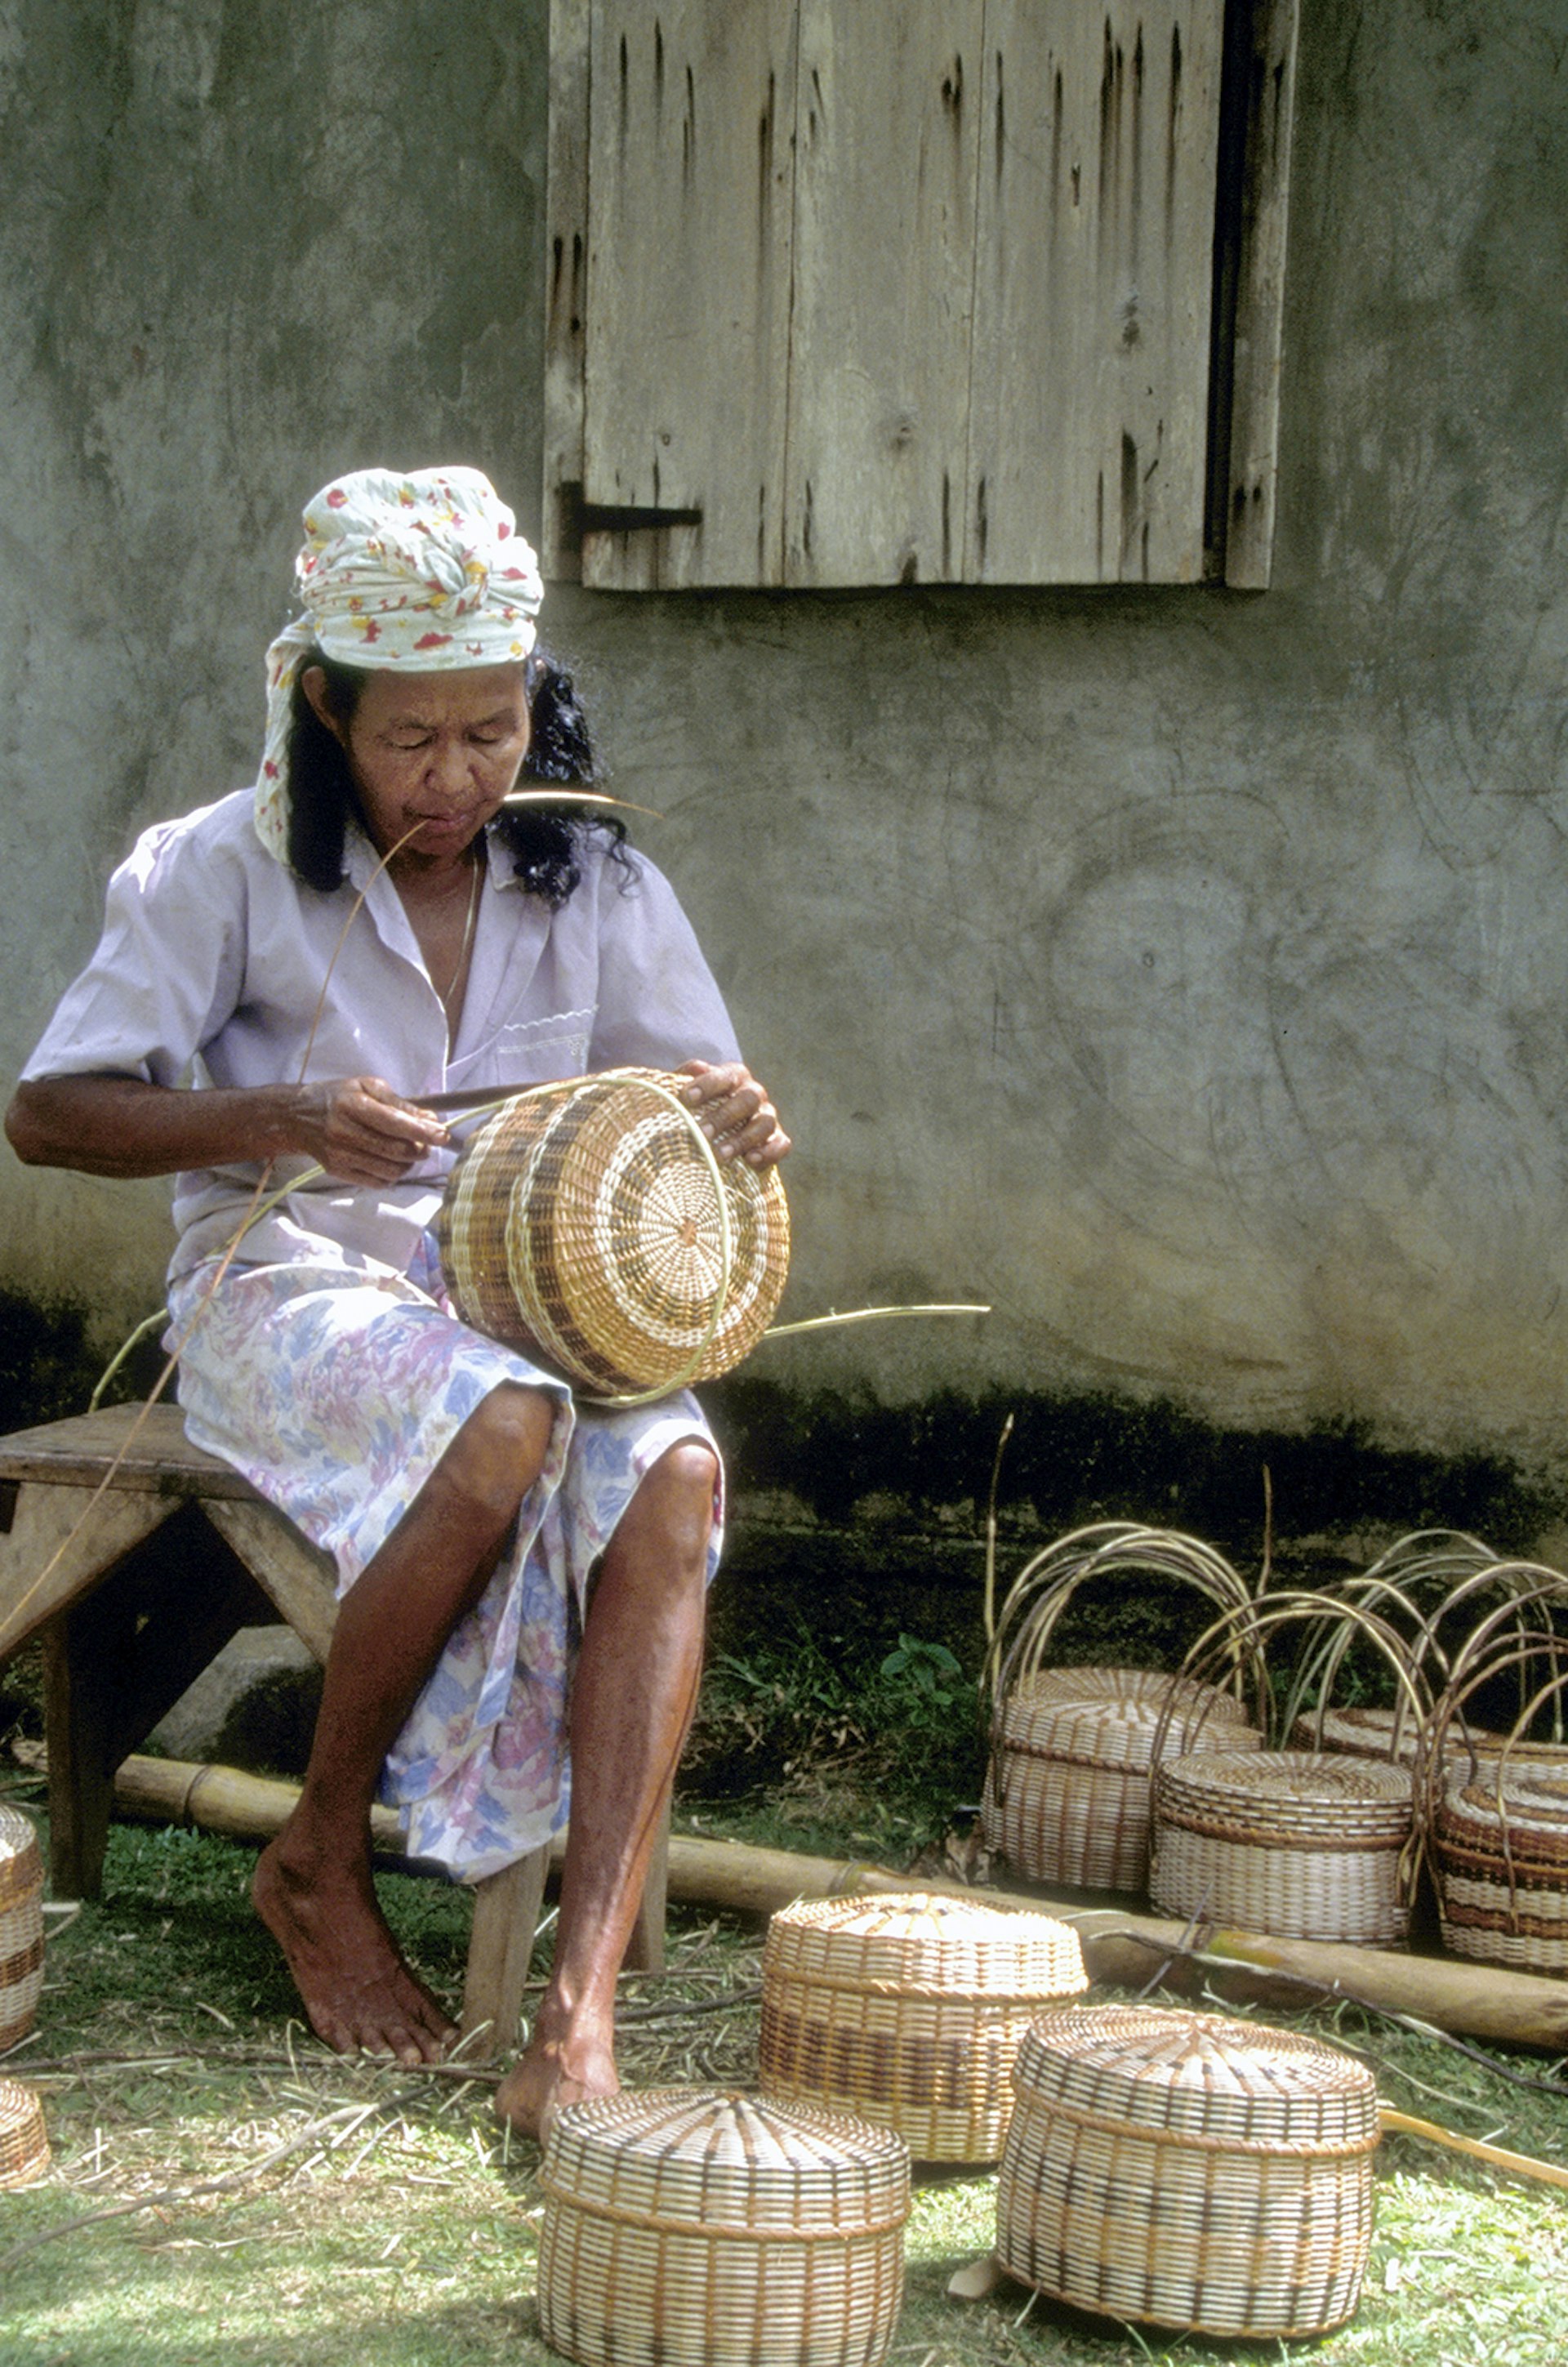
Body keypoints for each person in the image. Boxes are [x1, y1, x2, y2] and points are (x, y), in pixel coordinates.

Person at [4, 465, 789, 2137]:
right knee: (502, 1425)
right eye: (410, 740)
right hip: (280, 1287)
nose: (458, 779)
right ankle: (318, 1851)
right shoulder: (216, 870)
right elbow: (50, 1112)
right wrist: (279, 1116)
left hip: (533, 1299)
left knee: (677, 1473)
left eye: (495, 730)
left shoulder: (594, 876)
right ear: (319, 709)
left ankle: (576, 2024)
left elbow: (683, 1107)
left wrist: (736, 1125)